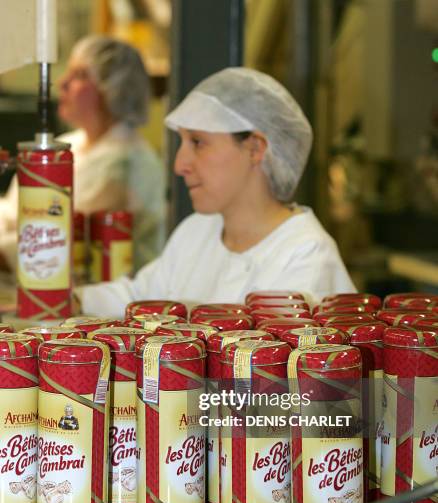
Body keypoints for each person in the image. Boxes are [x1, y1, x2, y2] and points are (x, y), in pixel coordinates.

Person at [76, 67, 356, 317]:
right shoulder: (198, 230)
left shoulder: (305, 256)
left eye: (198, 142)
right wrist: (72, 300)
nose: (179, 164)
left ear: (256, 148)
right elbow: (140, 298)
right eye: (182, 142)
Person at [0, 35, 166, 272]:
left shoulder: (130, 164)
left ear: (113, 89)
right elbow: (11, 212)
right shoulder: (67, 146)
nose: (63, 83)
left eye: (80, 75)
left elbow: (65, 239)